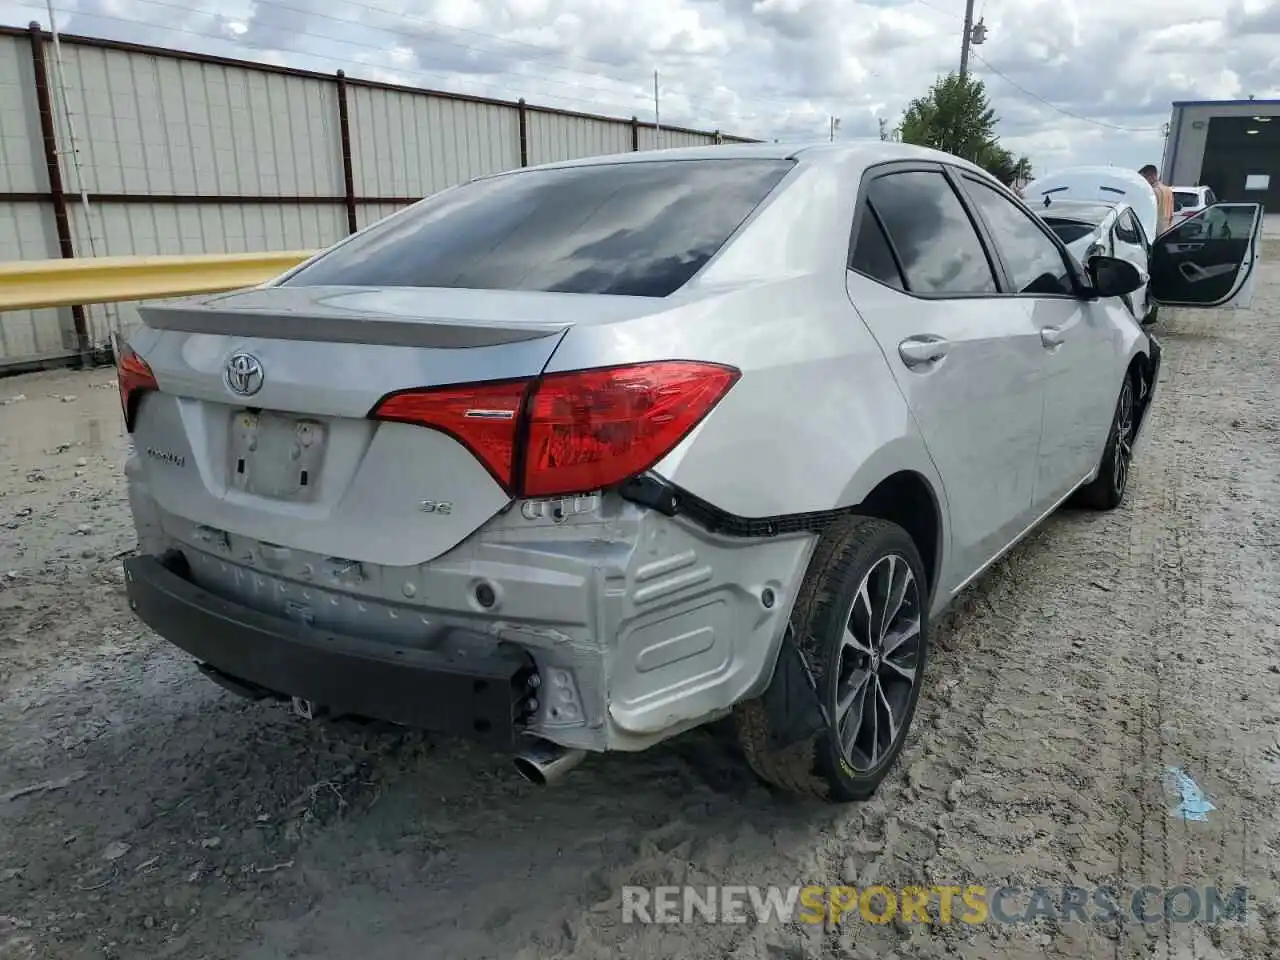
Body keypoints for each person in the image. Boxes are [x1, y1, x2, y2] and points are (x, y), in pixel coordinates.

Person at [1139, 164, 1173, 237]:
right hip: (1166, 230)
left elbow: (1148, 214)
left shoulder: (1152, 192)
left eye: (1144, 178)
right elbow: (1171, 214)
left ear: (1151, 176)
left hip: (1155, 231)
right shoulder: (1168, 190)